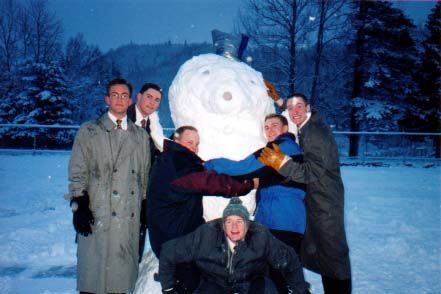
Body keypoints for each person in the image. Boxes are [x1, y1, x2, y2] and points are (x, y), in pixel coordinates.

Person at [258, 93, 352, 294]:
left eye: (299, 106)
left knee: (333, 254)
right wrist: (280, 101)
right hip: (317, 200)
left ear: (308, 107)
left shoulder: (315, 133)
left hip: (325, 202)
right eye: (290, 108)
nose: (294, 111)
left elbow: (312, 172)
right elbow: (291, 111)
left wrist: (280, 162)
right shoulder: (307, 126)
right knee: (325, 256)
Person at [147, 126, 257, 292]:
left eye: (196, 144)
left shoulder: (174, 161)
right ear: (176, 141)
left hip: (175, 236)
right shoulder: (176, 162)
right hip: (175, 242)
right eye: (189, 142)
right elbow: (209, 183)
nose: (194, 147)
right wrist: (248, 184)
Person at [205, 113, 306, 293]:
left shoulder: (280, 148)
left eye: (274, 125)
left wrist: (209, 164)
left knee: (278, 277)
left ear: (285, 129)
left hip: (283, 220)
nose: (269, 130)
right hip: (280, 220)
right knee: (277, 277)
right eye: (266, 127)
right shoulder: (287, 149)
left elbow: (242, 168)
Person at [67, 78, 151, 294]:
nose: (120, 99)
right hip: (97, 212)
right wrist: (80, 203)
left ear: (131, 100)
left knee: (119, 282)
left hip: (127, 218)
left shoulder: (141, 136)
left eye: (124, 95)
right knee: (93, 279)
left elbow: (144, 176)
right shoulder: (89, 132)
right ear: (107, 99)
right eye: (115, 94)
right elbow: (77, 170)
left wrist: (143, 209)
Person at [158, 197, 308, 294]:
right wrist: (168, 287)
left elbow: (289, 259)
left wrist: (300, 290)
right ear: (222, 225)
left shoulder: (260, 236)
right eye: (229, 221)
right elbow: (168, 252)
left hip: (252, 281)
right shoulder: (206, 235)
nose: (234, 227)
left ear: (248, 225)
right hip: (214, 281)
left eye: (239, 222)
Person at [127, 82, 165, 262]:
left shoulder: (154, 124)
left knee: (139, 236)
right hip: (123, 191)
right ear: (139, 97)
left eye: (157, 100)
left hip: (144, 191)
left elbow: (159, 149)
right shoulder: (122, 119)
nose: (152, 102)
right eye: (149, 97)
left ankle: (132, 275)